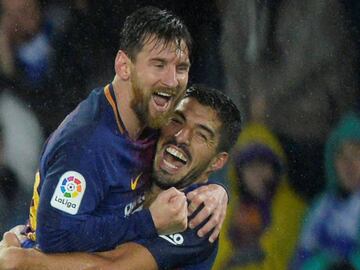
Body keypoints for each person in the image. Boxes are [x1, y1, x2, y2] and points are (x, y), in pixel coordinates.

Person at [21, 6, 229, 253]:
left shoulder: (157, 122)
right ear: (123, 66)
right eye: (158, 65)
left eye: (181, 68)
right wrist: (149, 222)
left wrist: (216, 192)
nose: (172, 80)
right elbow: (54, 237)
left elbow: (185, 171)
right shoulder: (87, 142)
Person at [0, 84, 242, 270]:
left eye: (201, 135)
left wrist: (22, 258)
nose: (181, 136)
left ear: (217, 162)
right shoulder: (132, 172)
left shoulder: (199, 217)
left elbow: (111, 265)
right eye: (176, 120)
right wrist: (30, 240)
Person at [213, 122, 306, 270]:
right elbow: (217, 255)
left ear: (275, 169)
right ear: (240, 173)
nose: (257, 173)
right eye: (250, 167)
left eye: (263, 164)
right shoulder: (230, 209)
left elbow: (282, 253)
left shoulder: (291, 207)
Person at [290, 111, 360, 270]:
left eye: (356, 154)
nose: (349, 165)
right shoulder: (322, 206)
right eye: (342, 156)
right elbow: (302, 257)